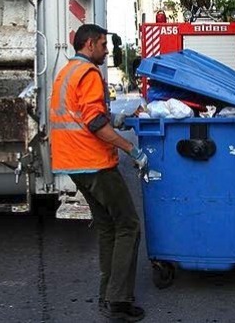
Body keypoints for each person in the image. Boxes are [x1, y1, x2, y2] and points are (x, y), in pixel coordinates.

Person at [49, 24, 147, 321]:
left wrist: (117, 119)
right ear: (90, 44)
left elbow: (82, 115)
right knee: (128, 225)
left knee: (107, 226)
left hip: (73, 164)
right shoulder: (90, 74)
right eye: (104, 45)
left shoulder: (67, 72)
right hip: (95, 163)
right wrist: (132, 150)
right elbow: (93, 123)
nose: (106, 51)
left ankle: (107, 295)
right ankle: (119, 301)